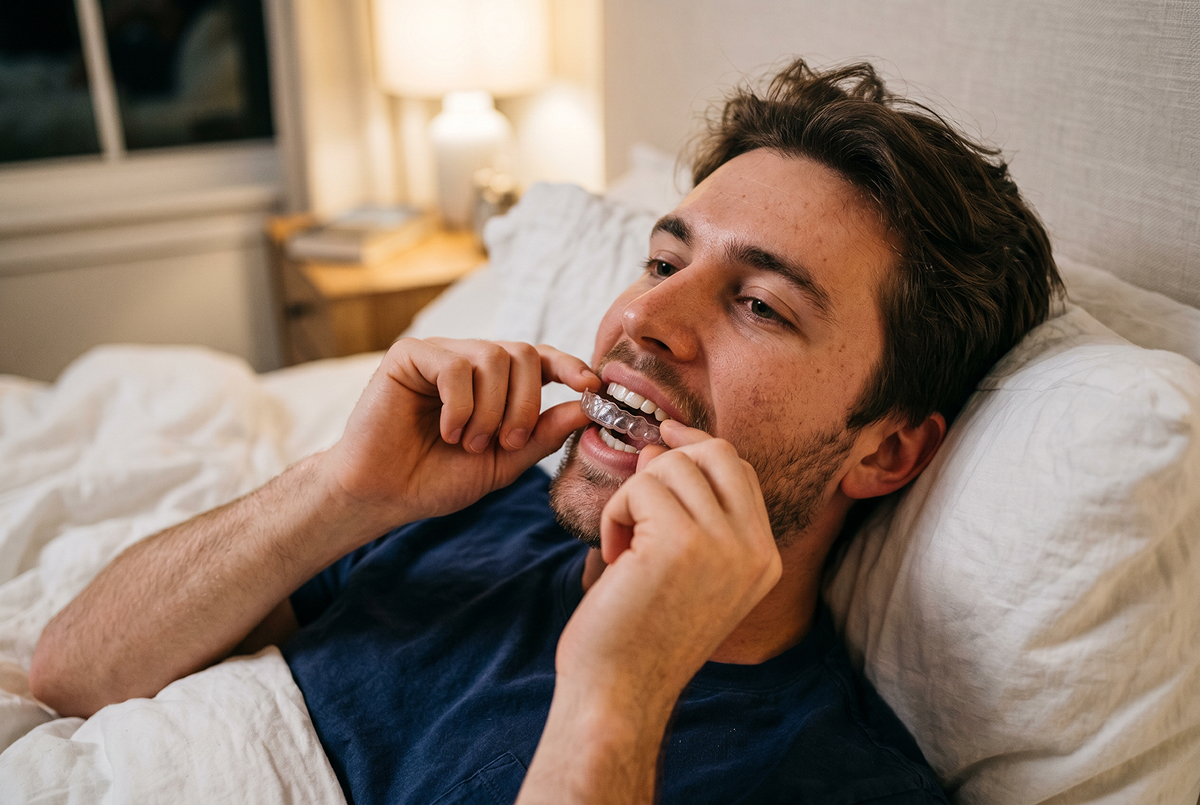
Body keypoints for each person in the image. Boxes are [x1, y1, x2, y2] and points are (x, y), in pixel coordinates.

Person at [28, 59, 1059, 804]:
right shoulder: (461, 512)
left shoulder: (830, 777)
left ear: (886, 450)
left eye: (760, 306)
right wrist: (344, 489)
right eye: (663, 264)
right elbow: (71, 671)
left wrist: (622, 690)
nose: (642, 322)